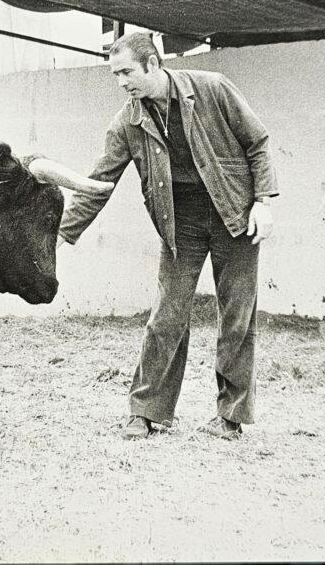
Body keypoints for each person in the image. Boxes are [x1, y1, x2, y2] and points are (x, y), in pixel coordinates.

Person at [58, 32, 277, 441]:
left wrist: (263, 201)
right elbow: (98, 184)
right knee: (167, 315)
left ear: (154, 64)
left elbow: (258, 142)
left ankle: (230, 417)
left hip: (234, 211)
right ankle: (146, 411)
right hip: (180, 222)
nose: (121, 82)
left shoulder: (213, 88)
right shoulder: (127, 121)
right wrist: (60, 235)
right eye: (115, 74)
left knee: (237, 316)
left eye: (126, 72)